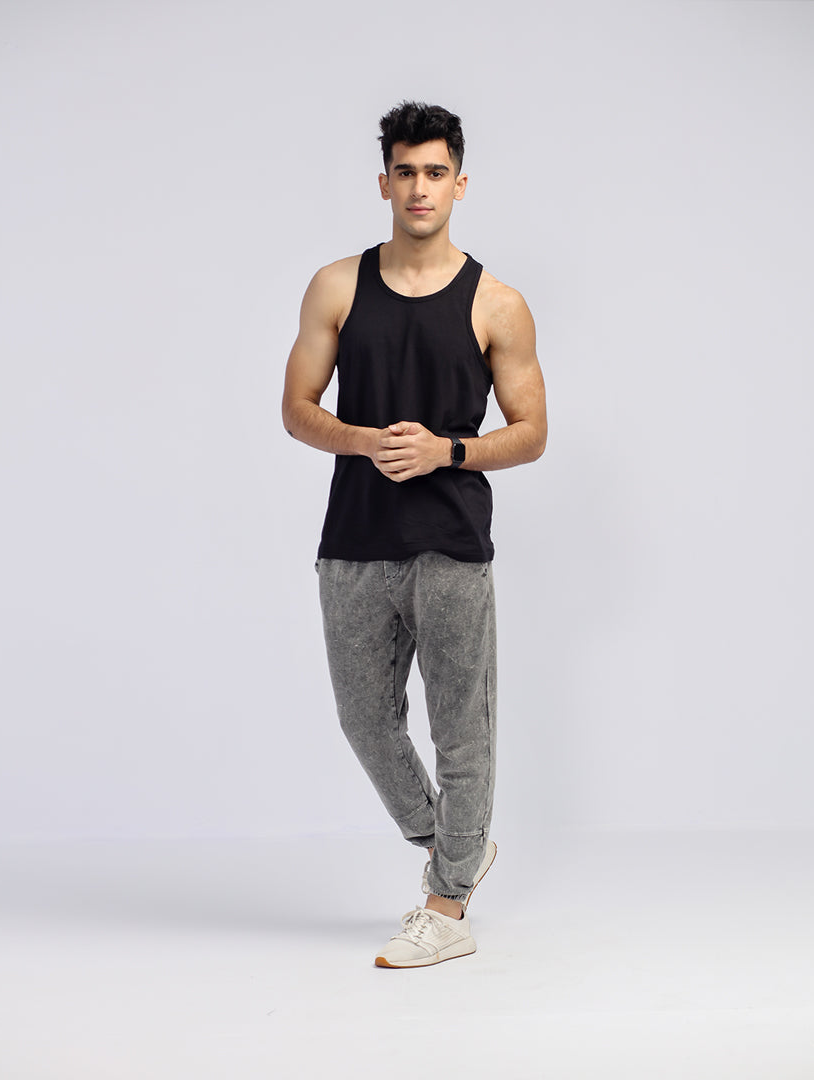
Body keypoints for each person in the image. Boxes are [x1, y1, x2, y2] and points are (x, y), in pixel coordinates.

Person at [282, 101, 546, 967]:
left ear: (460, 184)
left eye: (436, 172)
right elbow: (297, 409)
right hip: (354, 539)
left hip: (453, 543)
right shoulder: (337, 286)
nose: (420, 187)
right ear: (384, 182)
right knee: (365, 720)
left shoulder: (498, 303)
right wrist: (366, 440)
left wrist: (448, 450)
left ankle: (447, 905)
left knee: (461, 728)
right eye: (406, 172)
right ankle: (458, 846)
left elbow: (532, 433)